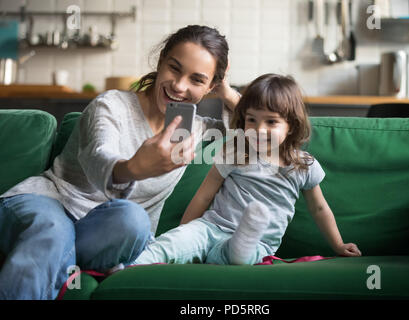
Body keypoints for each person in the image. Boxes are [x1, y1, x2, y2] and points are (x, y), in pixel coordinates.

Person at [0, 25, 240, 299]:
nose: (179, 85)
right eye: (174, 68)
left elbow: (261, 135)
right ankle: (68, 265)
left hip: (103, 232)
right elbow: (99, 157)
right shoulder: (112, 105)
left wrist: (227, 91)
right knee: (53, 231)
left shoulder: (195, 131)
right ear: (161, 61)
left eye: (197, 80)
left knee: (133, 219)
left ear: (210, 86)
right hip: (51, 204)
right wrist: (133, 168)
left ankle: (55, 261)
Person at [134, 73, 362, 266]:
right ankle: (132, 264)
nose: (259, 130)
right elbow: (204, 196)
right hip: (210, 228)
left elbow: (319, 208)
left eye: (271, 122)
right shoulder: (235, 152)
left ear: (291, 125)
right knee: (172, 243)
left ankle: (243, 237)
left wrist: (339, 244)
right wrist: (185, 232)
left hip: (258, 243)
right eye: (251, 120)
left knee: (239, 253)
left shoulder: (303, 165)